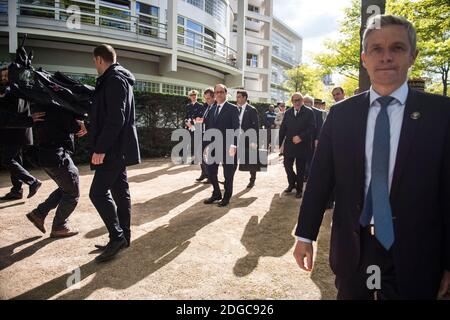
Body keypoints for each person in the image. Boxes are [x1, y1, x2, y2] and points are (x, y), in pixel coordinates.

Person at [293, 15, 450, 300]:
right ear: (365, 58)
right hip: (356, 248)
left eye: (397, 48)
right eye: (377, 49)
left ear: (413, 56)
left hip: (418, 253)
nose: (386, 57)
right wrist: (305, 235)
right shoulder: (340, 115)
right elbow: (320, 179)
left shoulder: (442, 115)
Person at [89, 44, 140, 263]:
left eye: (94, 62)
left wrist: (100, 148)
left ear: (99, 59)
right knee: (120, 192)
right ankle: (124, 236)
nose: (95, 66)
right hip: (118, 148)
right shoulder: (119, 78)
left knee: (97, 193)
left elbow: (115, 118)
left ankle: (117, 236)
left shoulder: (114, 79)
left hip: (112, 149)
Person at [25, 105, 87, 238]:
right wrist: (81, 122)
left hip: (45, 156)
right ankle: (59, 226)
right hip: (57, 156)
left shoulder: (42, 104)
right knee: (72, 193)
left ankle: (39, 213)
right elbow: (75, 127)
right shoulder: (59, 106)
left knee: (65, 188)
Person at [0, 67, 42, 200]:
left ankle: (33, 181)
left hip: (16, 131)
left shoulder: (12, 91)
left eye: (6, 75)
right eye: (2, 76)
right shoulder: (18, 89)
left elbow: (15, 113)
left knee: (8, 160)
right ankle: (17, 190)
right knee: (15, 160)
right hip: (17, 131)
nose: (4, 78)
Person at [203, 84, 240, 207]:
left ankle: (227, 197)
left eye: (221, 92)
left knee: (228, 174)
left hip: (228, 146)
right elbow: (208, 128)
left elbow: (236, 128)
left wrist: (234, 145)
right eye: (216, 92)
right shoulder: (212, 109)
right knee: (210, 170)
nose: (219, 94)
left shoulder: (233, 108)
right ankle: (217, 193)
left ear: (226, 93)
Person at [279, 92, 315, 199]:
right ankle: (292, 183)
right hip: (290, 145)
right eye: (295, 100)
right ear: (292, 102)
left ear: (302, 101)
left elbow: (312, 127)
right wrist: (279, 143)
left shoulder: (309, 112)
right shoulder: (288, 112)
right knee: (287, 165)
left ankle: (299, 190)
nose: (297, 102)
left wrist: (300, 137)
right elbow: (283, 128)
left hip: (303, 145)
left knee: (300, 169)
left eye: (299, 100)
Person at [236, 90, 260, 188]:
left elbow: (256, 127)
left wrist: (254, 141)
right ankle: (228, 179)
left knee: (251, 160)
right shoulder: (235, 109)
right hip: (236, 137)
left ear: (245, 97)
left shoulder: (251, 109)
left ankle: (252, 179)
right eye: (237, 97)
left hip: (248, 139)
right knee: (232, 159)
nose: (237, 98)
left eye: (239, 97)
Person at [196, 87, 215, 184]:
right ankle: (204, 173)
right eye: (205, 98)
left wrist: (204, 121)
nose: (206, 100)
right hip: (202, 133)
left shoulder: (216, 107)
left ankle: (211, 177)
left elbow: (214, 121)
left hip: (212, 135)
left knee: (209, 157)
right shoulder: (206, 106)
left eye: (208, 98)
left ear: (213, 97)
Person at [184, 89, 203, 165]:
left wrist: (191, 123)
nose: (193, 97)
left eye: (195, 95)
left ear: (197, 96)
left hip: (197, 126)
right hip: (189, 127)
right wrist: (186, 123)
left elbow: (200, 116)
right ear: (190, 97)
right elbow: (186, 116)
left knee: (197, 143)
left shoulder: (200, 105)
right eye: (192, 95)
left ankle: (197, 158)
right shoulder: (188, 106)